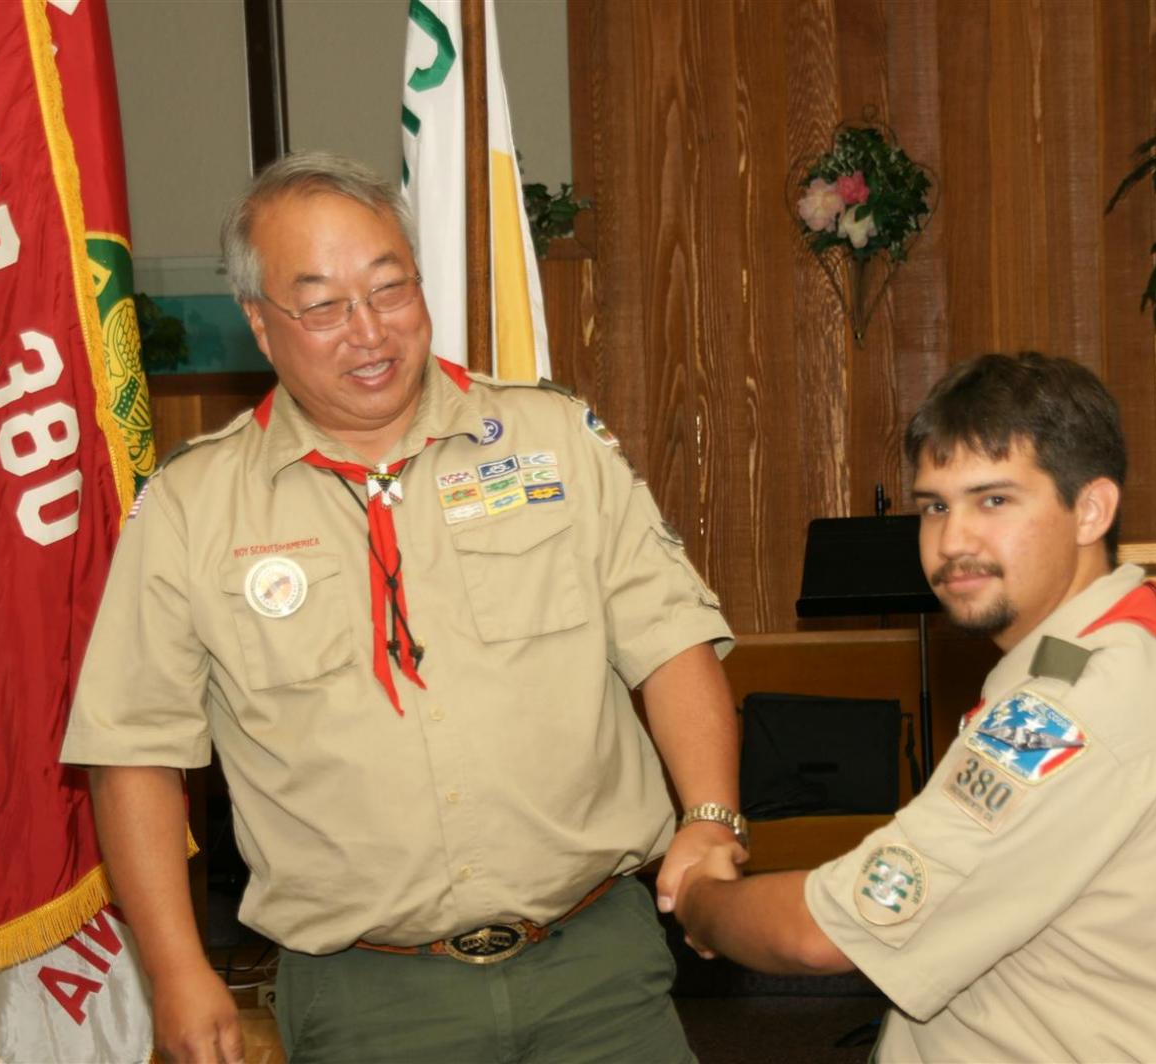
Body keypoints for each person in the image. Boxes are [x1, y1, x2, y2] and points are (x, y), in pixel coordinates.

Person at [61, 151, 745, 1064]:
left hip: (596, 969)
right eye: (322, 307)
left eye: (390, 289)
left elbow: (671, 640)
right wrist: (175, 968)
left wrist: (711, 816)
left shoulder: (552, 441)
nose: (369, 331)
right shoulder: (194, 508)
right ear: (260, 324)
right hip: (368, 1000)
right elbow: (133, 753)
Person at [675, 352, 1156, 1062]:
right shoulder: (1110, 644)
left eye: (994, 501)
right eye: (935, 506)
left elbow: (818, 935)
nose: (952, 541)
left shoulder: (1072, 709)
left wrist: (701, 901)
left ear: (1090, 510)